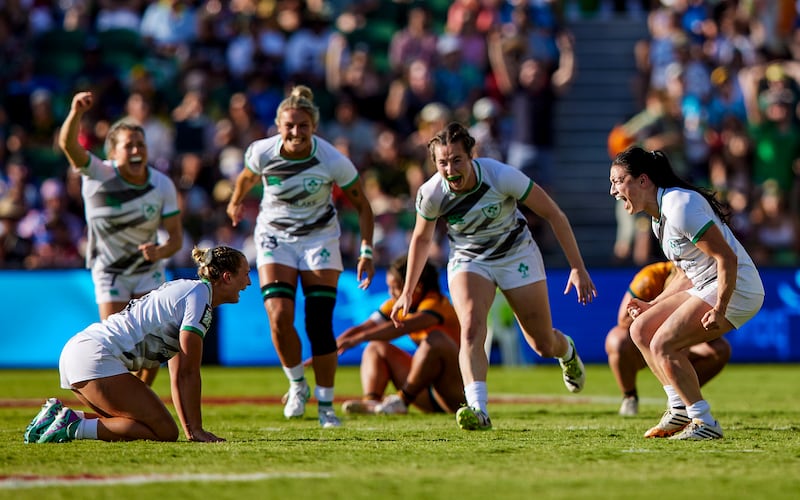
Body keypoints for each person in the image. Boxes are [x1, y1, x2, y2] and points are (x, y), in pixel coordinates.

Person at [390, 122, 596, 431]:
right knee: (471, 327)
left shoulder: (501, 176)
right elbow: (420, 239)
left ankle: (565, 351)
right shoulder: (431, 193)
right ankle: (478, 409)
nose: (450, 169)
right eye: (442, 162)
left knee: (542, 344)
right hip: (469, 259)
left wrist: (577, 267)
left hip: (517, 255)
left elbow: (554, 214)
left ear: (471, 156)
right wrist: (407, 291)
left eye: (457, 160)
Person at [226, 85, 375, 428]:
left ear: (314, 127)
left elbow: (363, 205)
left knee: (318, 323)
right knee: (278, 315)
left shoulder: (332, 159)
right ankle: (297, 385)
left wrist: (366, 251)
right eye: (289, 125)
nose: (295, 132)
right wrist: (236, 201)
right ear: (278, 125)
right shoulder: (262, 152)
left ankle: (326, 406)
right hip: (274, 236)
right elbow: (246, 178)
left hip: (319, 239)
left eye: (302, 125)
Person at [609, 147, 764, 440]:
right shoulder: (659, 217)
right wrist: (653, 304)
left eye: (618, 181)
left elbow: (727, 259)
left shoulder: (679, 205)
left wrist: (720, 307)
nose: (613, 191)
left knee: (663, 344)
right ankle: (679, 409)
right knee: (641, 330)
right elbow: (684, 273)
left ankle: (704, 422)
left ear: (643, 180)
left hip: (738, 287)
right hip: (706, 283)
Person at [24, 245, 251, 443]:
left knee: (132, 423)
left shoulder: (192, 291)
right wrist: (196, 430)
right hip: (95, 357)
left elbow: (178, 372)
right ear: (227, 277)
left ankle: (58, 418)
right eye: (246, 274)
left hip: (82, 352)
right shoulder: (199, 296)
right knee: (164, 431)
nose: (249, 282)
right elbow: (186, 373)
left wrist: (192, 430)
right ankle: (72, 427)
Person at [58, 91, 184, 387]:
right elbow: (67, 144)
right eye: (130, 146)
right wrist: (76, 112)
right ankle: (127, 403)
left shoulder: (162, 184)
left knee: (155, 344)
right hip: (110, 271)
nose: (138, 150)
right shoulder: (97, 172)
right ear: (113, 154)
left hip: (147, 269)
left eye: (141, 144)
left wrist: (161, 250)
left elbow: (177, 239)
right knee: (117, 345)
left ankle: (139, 400)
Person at [338, 255, 465, 416]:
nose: (391, 294)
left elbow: (402, 327)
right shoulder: (397, 303)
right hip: (423, 391)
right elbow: (363, 328)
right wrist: (331, 347)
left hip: (454, 392)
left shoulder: (437, 303)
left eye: (396, 288)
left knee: (435, 339)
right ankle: (372, 403)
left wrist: (359, 339)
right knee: (375, 347)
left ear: (416, 287)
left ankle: (401, 401)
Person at [606, 261, 731, 417]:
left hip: (681, 344)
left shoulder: (704, 279)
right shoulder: (650, 277)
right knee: (617, 339)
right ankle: (630, 396)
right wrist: (655, 314)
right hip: (644, 341)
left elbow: (711, 330)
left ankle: (682, 397)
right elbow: (623, 320)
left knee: (719, 350)